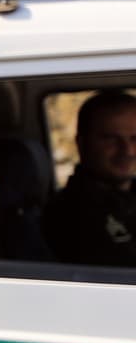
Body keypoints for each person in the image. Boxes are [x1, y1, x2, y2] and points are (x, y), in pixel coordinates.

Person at [43, 90, 136, 267]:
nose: (128, 151)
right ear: (82, 143)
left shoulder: (129, 194)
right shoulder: (71, 212)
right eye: (110, 139)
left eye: (134, 138)